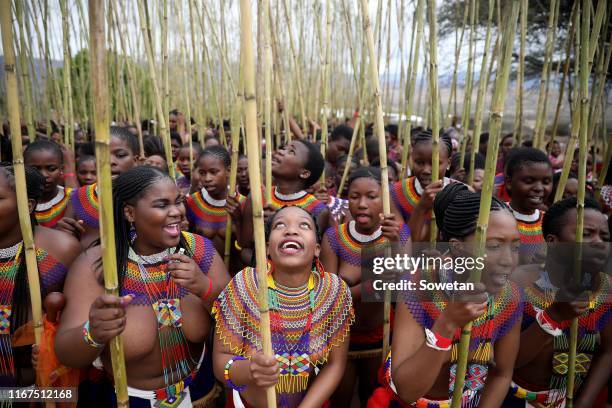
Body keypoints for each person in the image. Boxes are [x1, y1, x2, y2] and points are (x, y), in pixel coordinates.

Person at [55, 166, 230, 407]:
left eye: (178, 202)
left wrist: (205, 288)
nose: (177, 212)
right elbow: (66, 353)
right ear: (129, 213)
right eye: (162, 205)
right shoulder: (97, 265)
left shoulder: (200, 251)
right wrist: (93, 332)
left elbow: (238, 322)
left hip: (201, 391)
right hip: (129, 400)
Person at [379, 183, 523, 408]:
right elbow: (406, 391)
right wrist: (447, 324)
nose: (509, 260)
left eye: (515, 247)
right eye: (494, 246)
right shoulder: (419, 288)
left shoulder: (510, 295)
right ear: (457, 247)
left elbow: (502, 374)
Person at [212, 206, 354, 408]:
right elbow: (220, 362)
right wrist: (250, 369)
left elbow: (335, 364)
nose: (291, 231)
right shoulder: (245, 283)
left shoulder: (333, 290)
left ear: (317, 249)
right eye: (280, 225)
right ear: (267, 247)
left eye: (304, 225)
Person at [505, 197, 610, 407]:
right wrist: (553, 316)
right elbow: (507, 362)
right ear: (553, 242)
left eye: (605, 236)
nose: (599, 242)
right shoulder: (519, 283)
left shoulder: (606, 289)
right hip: (514, 398)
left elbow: (608, 351)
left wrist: (583, 403)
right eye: (586, 234)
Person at [320, 167, 411, 407]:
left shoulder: (398, 235)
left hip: (381, 335)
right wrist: (371, 282)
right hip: (341, 337)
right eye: (354, 196)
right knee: (341, 397)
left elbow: (407, 288)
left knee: (371, 396)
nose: (362, 204)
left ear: (385, 201)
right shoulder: (334, 238)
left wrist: (395, 249)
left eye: (372, 196)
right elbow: (330, 299)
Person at [0, 164, 81, 387]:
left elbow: (80, 325)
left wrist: (51, 347)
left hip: (43, 389)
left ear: (27, 205)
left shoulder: (61, 250)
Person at [57, 126, 140, 249]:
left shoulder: (149, 196)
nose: (111, 161)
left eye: (120, 155)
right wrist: (64, 233)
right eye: (103, 155)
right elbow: (66, 242)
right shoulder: (79, 197)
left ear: (136, 160)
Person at [240, 139, 331, 250]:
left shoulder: (317, 210)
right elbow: (244, 247)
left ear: (304, 173)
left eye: (291, 151)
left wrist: (276, 223)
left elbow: (308, 253)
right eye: (284, 148)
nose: (280, 151)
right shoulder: (257, 196)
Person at [185, 146, 245, 272]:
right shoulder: (192, 203)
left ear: (228, 171)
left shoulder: (243, 204)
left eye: (213, 172)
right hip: (203, 280)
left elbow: (247, 248)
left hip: (235, 278)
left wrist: (239, 220)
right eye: (202, 173)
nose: (207, 178)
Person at [390, 130, 453, 242]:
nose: (426, 170)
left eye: (434, 163)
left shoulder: (462, 194)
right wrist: (421, 207)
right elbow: (404, 244)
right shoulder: (396, 193)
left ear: (448, 163)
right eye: (419, 162)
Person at [504, 147, 553, 262]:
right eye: (529, 181)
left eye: (546, 182)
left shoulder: (550, 222)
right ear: (509, 182)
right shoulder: (495, 217)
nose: (539, 188)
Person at [23, 139, 74, 228]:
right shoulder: (17, 203)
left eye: (51, 169)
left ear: (61, 169)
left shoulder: (73, 198)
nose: (43, 175)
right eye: (35, 169)